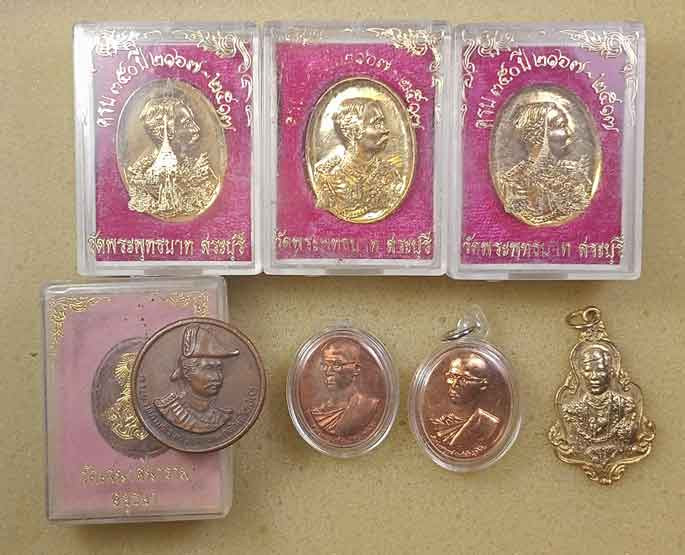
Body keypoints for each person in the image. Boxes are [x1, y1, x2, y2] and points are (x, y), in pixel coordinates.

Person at [496, 100, 592, 225]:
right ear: (540, 135)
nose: (569, 133)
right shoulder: (511, 184)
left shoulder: (574, 173)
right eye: (561, 125)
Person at [126, 92, 219, 219]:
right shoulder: (141, 177)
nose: (196, 129)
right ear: (164, 132)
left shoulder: (202, 169)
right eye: (187, 123)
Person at [313, 98, 403, 221]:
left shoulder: (391, 176)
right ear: (352, 132)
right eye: (377, 124)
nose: (385, 130)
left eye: (383, 123)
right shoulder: (326, 180)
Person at [560, 344, 638, 463]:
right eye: (588, 371)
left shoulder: (626, 406)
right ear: (581, 373)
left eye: (600, 370)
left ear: (611, 372)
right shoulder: (572, 411)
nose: (594, 377)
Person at [155, 324, 239, 433]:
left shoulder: (222, 417)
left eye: (219, 369)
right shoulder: (169, 410)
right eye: (208, 369)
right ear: (187, 372)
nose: (217, 377)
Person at [429, 355, 500, 454]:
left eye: (465, 379)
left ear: (483, 385)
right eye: (452, 377)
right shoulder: (438, 420)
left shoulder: (487, 424)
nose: (454, 385)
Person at [310, 339, 380, 437]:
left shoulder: (368, 407)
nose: (328, 371)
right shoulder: (316, 411)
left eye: (336, 365)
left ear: (356, 369)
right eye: (325, 365)